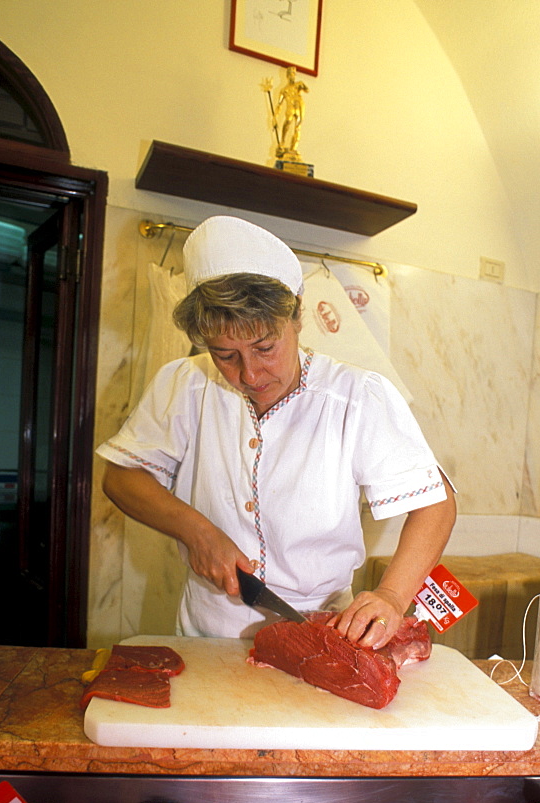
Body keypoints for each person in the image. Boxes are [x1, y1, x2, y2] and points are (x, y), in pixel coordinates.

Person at [97, 215, 456, 648]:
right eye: (225, 355)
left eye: (265, 347)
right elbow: (121, 477)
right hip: (210, 633)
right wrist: (196, 531)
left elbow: (436, 504)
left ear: (297, 319)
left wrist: (392, 596)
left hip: (323, 631)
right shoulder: (184, 383)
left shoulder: (357, 396)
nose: (249, 373)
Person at [275, 65, 308, 154]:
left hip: (299, 105)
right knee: (288, 121)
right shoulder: (284, 90)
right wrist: (274, 118)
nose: (293, 76)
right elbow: (279, 104)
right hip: (290, 107)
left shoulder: (298, 85)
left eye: (294, 74)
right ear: (288, 76)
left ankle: (293, 148)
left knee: (298, 125)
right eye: (291, 74)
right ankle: (282, 142)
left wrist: (303, 86)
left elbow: (307, 90)